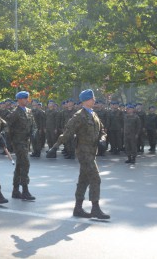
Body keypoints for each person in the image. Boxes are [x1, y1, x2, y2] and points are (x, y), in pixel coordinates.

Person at [47, 89, 110, 219]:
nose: (94, 100)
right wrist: (54, 147)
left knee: (83, 180)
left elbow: (103, 130)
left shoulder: (94, 114)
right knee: (95, 178)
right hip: (83, 152)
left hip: (92, 152)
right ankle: (95, 208)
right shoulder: (79, 116)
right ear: (86, 100)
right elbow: (67, 132)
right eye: (92, 98)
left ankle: (78, 208)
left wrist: (102, 140)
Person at [7, 91, 37, 201]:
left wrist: (33, 132)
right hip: (18, 142)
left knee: (19, 166)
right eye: (24, 98)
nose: (26, 100)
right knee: (25, 164)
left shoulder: (29, 111)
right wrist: (11, 142)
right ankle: (25, 190)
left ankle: (15, 190)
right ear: (19, 100)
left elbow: (34, 125)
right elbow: (8, 127)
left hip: (26, 142)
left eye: (27, 98)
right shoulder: (14, 113)